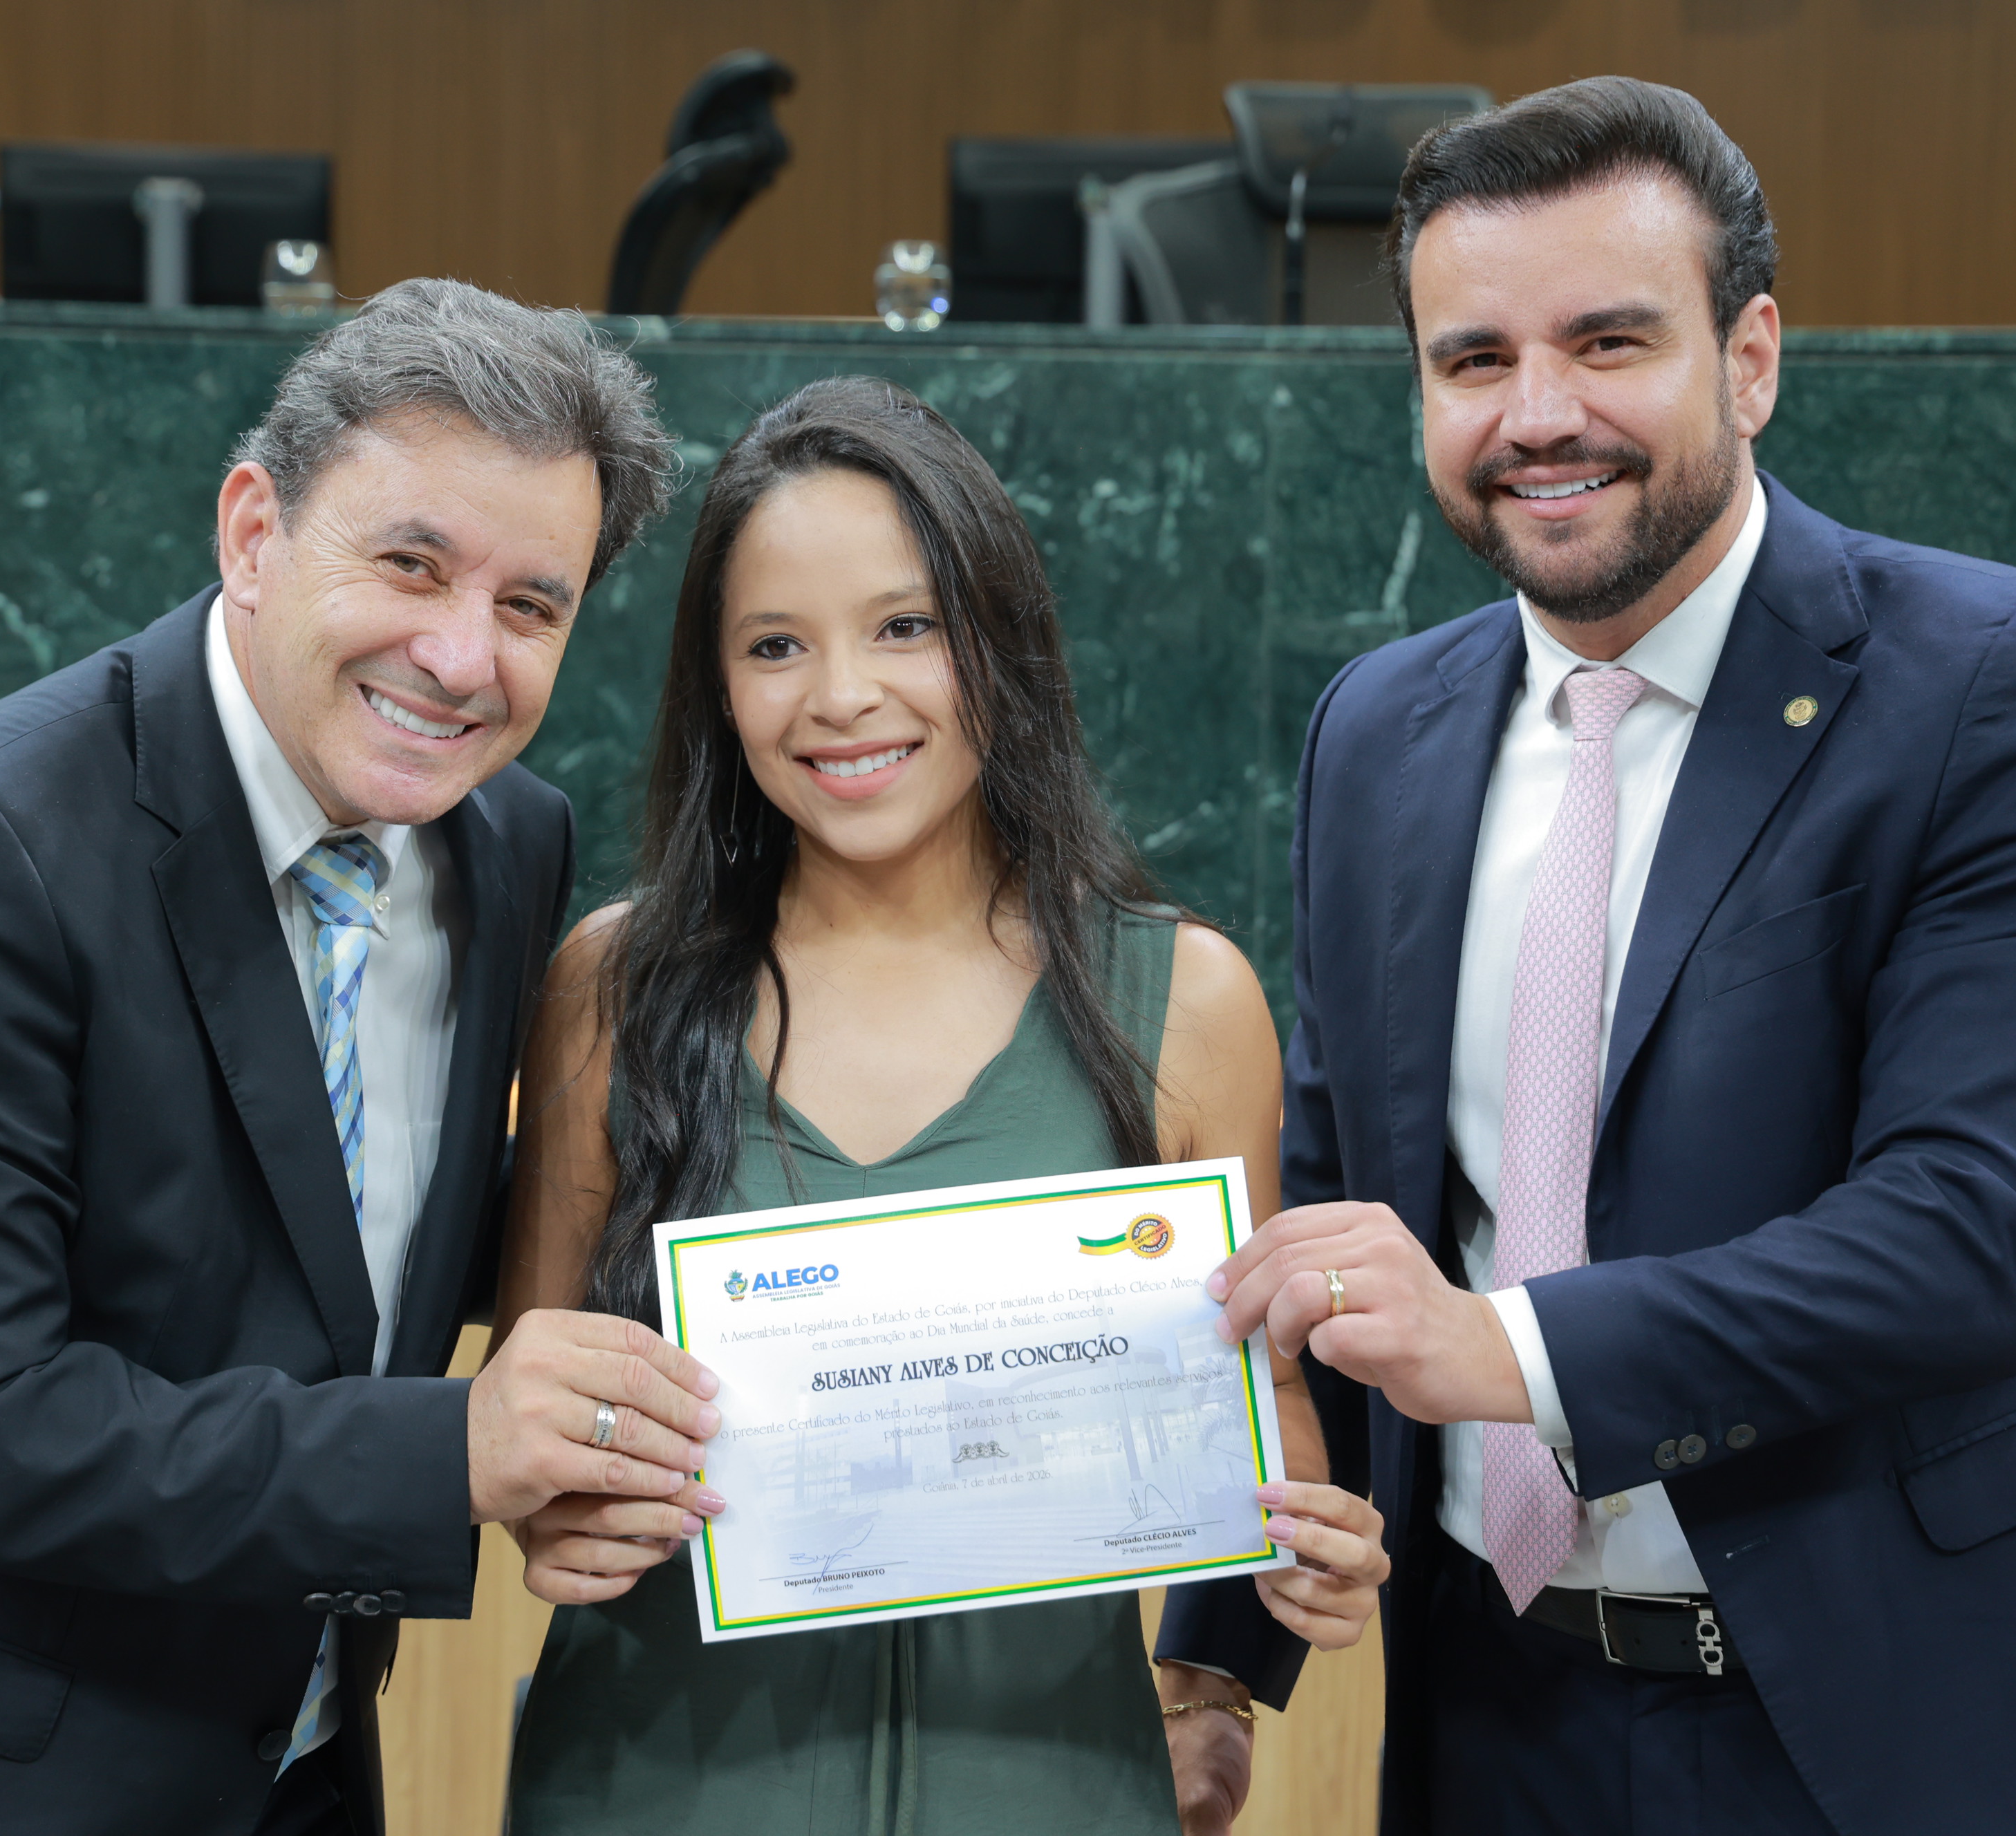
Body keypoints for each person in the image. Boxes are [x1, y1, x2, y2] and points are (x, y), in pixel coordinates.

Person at [1156, 75, 2016, 1836]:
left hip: (1923, 1736)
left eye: (1608, 341)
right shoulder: (1377, 730)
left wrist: (1510, 1353)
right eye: (1473, 359)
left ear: (1750, 358)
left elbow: (1974, 1232)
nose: (1539, 415)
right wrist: (1218, 1658)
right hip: (1498, 1726)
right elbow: (1337, 1218)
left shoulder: (2010, 683)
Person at [0, 279, 725, 1836]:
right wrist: (456, 1446)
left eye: (532, 606)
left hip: (281, 1765)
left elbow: (368, 1231)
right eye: (410, 564)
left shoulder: (507, 840)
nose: (463, 656)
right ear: (254, 533)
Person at [487, 376, 1385, 1836]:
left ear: (996, 636)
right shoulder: (613, 986)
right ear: (718, 685)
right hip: (655, 1787)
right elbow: (530, 1412)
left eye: (904, 626)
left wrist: (1300, 1549)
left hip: (1050, 1785)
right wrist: (561, 1512)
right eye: (774, 644)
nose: (841, 695)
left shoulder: (1185, 1000)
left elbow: (1257, 1414)